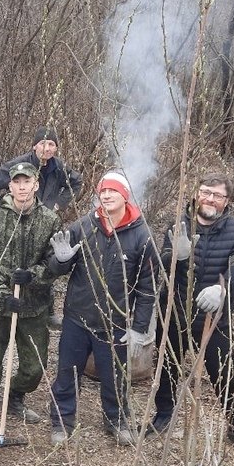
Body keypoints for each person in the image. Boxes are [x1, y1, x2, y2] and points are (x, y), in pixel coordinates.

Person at [148, 174, 234, 457]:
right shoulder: (178, 224)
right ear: (196, 194)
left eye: (217, 195)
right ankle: (164, 413)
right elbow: (161, 265)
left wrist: (222, 288)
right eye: (205, 192)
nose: (210, 199)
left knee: (226, 374)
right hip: (175, 312)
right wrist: (175, 256)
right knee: (167, 368)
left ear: (227, 201)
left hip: (216, 317)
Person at [45, 169, 157, 446]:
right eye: (102, 191)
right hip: (78, 316)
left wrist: (140, 328)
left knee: (115, 377)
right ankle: (62, 421)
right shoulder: (83, 227)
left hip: (115, 321)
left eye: (112, 191)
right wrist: (59, 261)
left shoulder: (141, 236)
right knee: (67, 373)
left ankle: (117, 420)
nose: (106, 195)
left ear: (125, 196)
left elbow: (147, 287)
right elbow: (55, 267)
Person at [0, 160, 59, 428]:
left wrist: (34, 277)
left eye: (26, 181)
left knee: (34, 366)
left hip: (34, 307)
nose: (21, 187)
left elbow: (53, 263)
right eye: (16, 182)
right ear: (10, 186)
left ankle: (16, 397)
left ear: (36, 184)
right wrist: (2, 295)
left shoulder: (49, 220)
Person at [0, 126, 84, 214]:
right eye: (42, 143)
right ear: (34, 146)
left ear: (56, 148)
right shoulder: (20, 165)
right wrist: (2, 213)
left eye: (51, 144)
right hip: (20, 221)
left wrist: (59, 204)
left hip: (46, 223)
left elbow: (76, 182)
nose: (47, 148)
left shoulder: (59, 167)